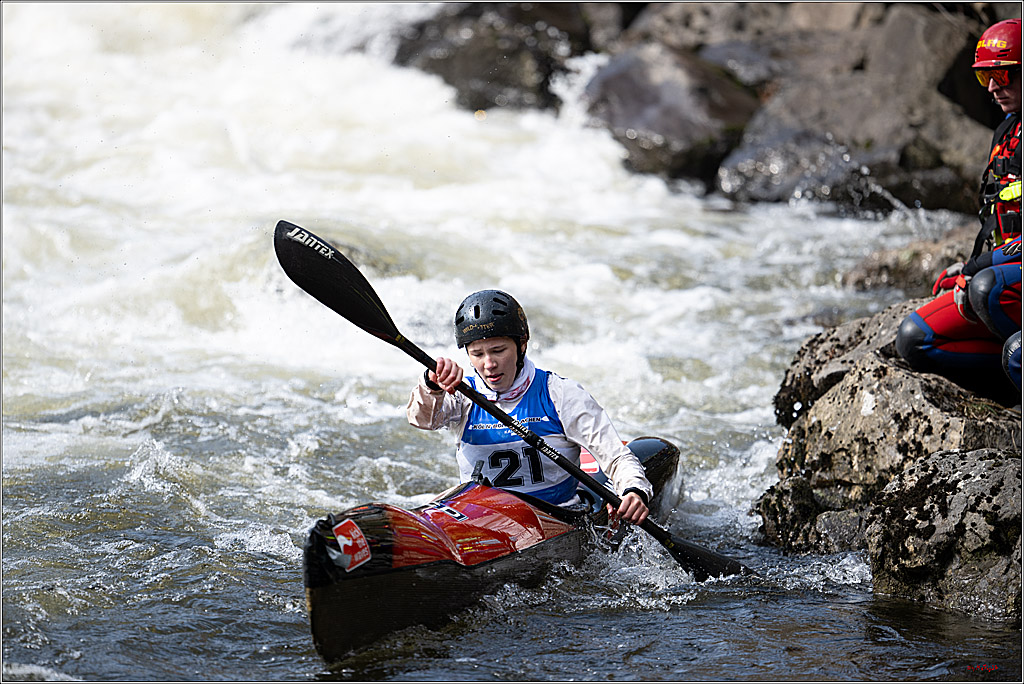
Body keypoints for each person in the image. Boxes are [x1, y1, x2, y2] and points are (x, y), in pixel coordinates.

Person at [406, 289, 653, 525]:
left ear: (521, 345)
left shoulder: (560, 394)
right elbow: (422, 419)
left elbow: (615, 456)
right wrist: (431, 385)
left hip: (555, 518)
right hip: (481, 523)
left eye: (498, 350)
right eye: (477, 354)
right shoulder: (462, 394)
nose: (489, 364)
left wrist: (634, 490)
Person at [896, 18, 1022, 400]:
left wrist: (975, 270)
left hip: (1008, 275)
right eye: (987, 78)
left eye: (1005, 74)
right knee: (915, 339)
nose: (996, 87)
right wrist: (972, 263)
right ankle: (1008, 377)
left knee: (987, 289)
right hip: (1011, 265)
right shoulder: (1006, 133)